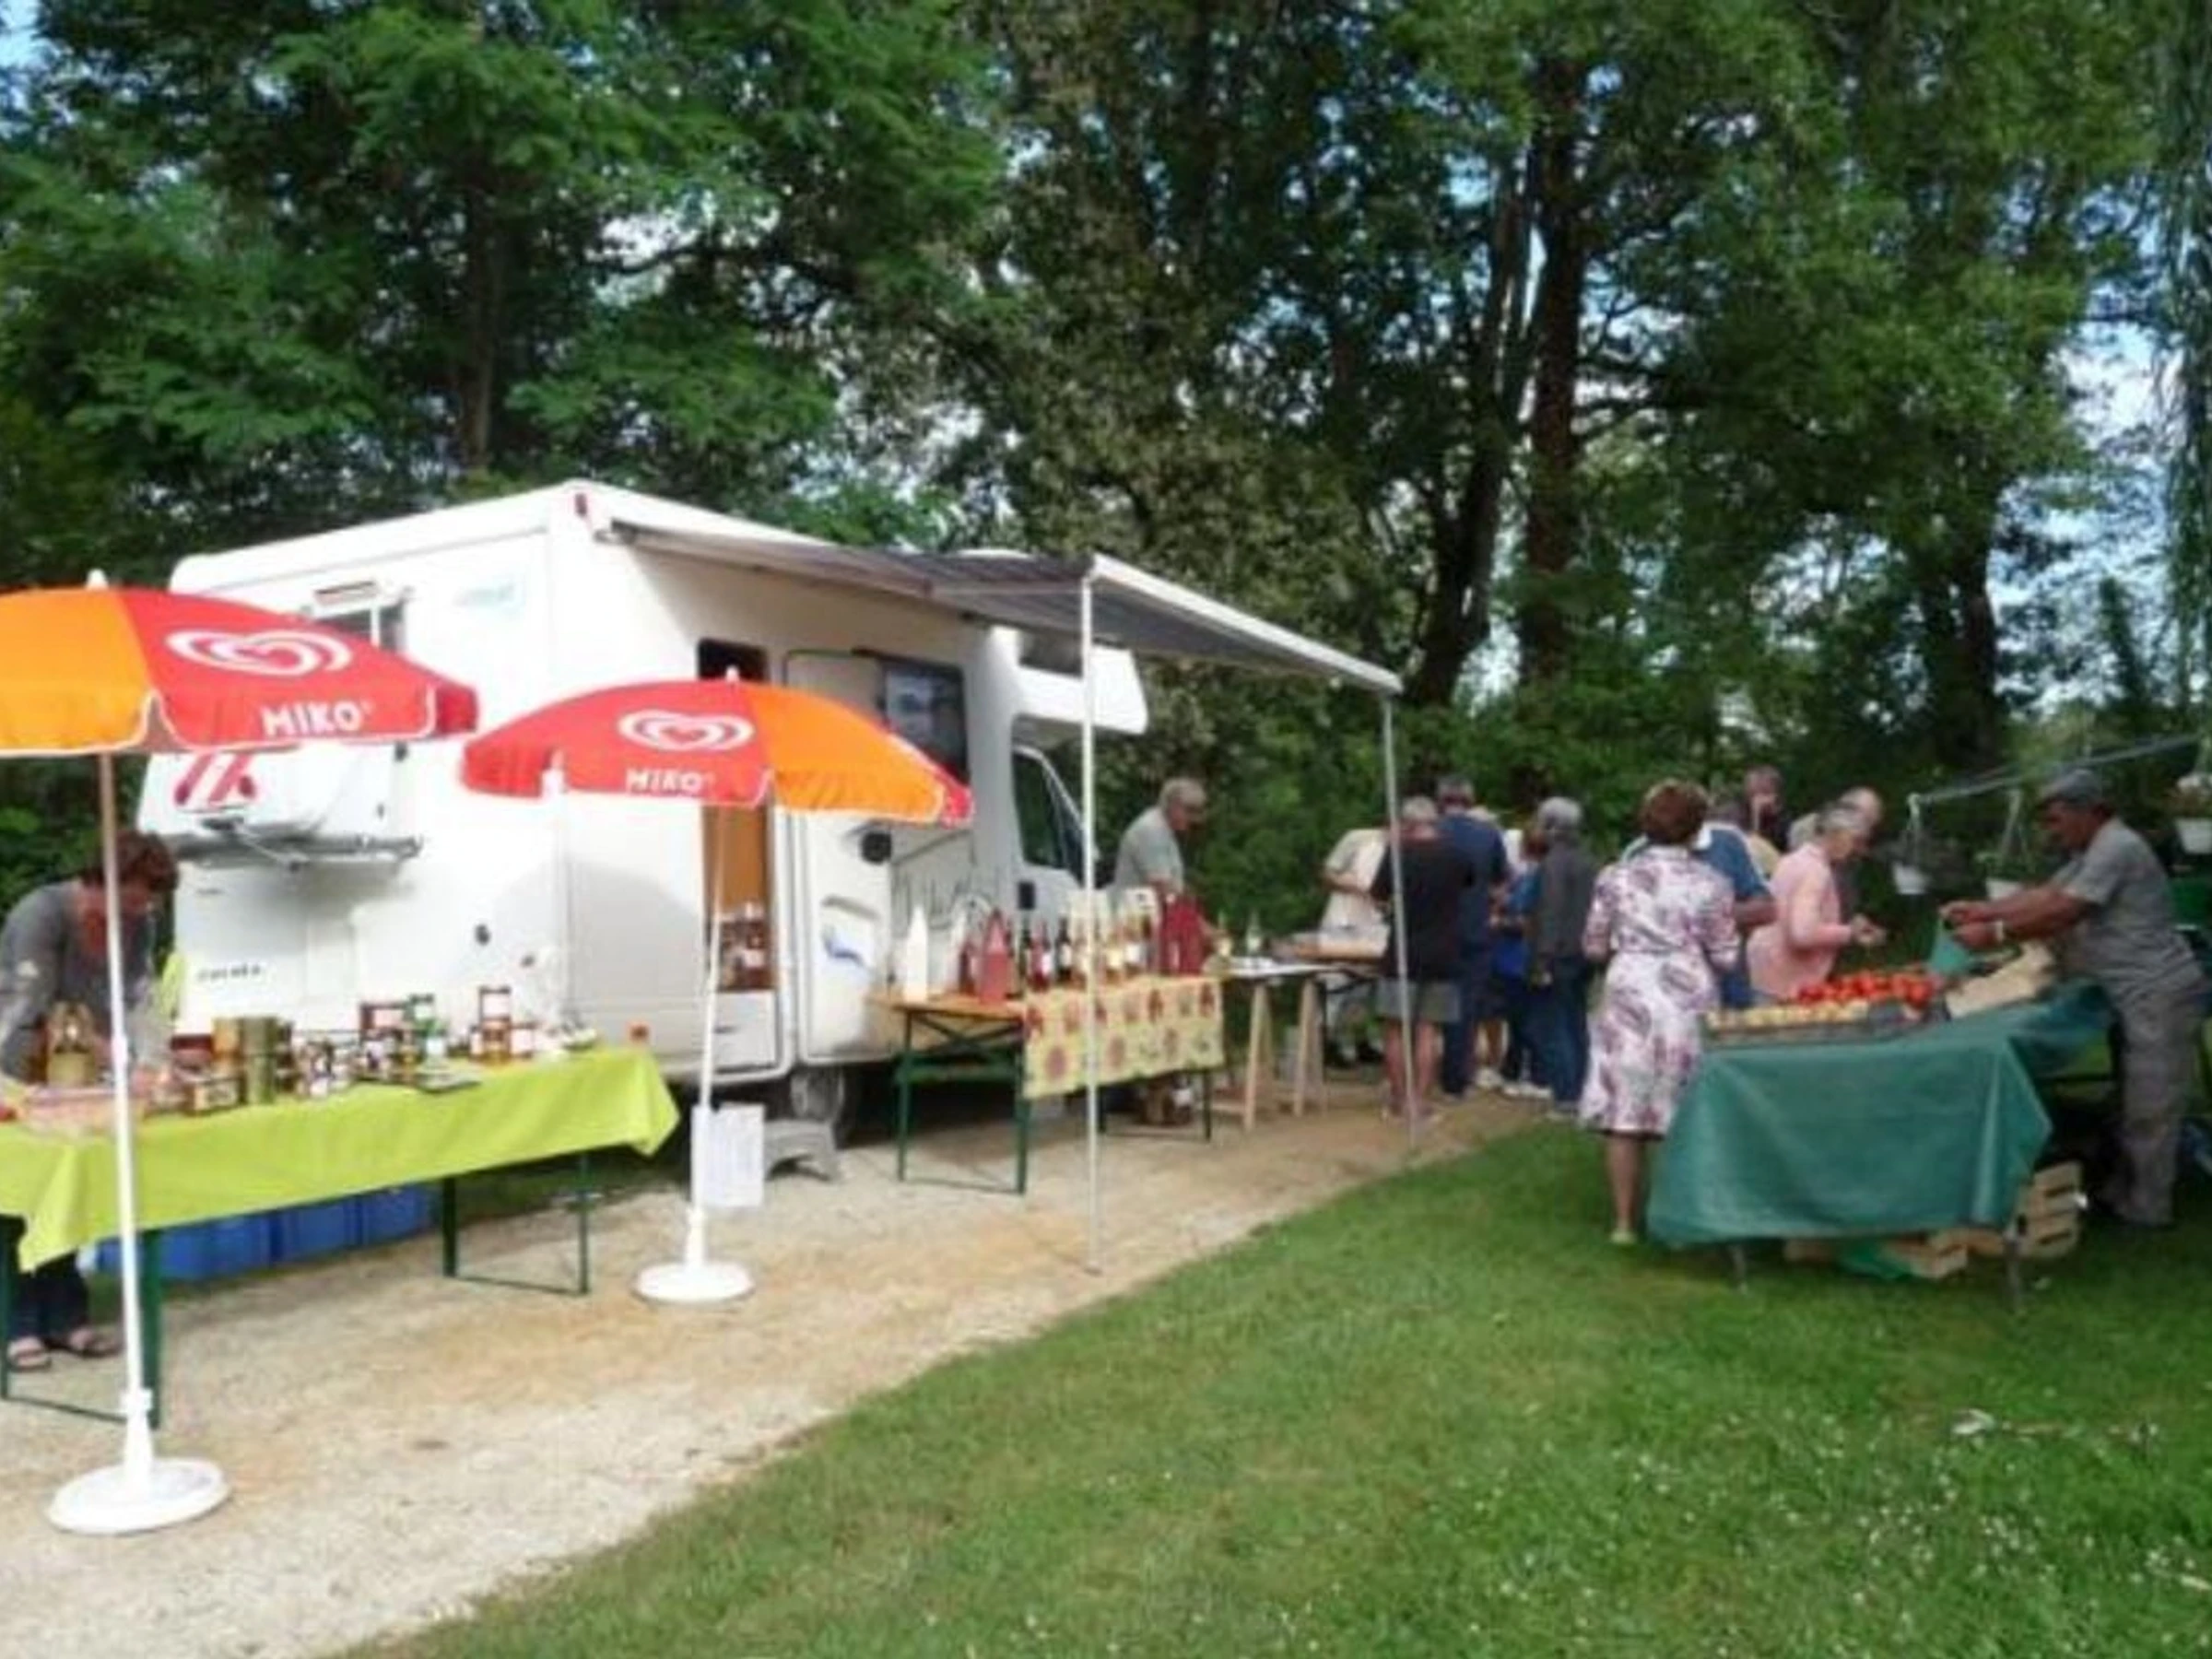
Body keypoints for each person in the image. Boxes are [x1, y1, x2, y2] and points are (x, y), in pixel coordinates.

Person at [1942, 770, 2209, 1229]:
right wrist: (1982, 909)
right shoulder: (2090, 851)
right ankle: (2121, 1193)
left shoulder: (2117, 847)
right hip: (2129, 991)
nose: (2052, 829)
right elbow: (2046, 894)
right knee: (2133, 1099)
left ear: (2089, 811)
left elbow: (2066, 910)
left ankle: (2147, 1211)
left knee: (2151, 1105)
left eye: (2056, 819)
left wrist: (1995, 933)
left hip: (2158, 991)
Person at [0, 831, 178, 1371]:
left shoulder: (138, 922)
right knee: (18, 1195)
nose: (141, 912)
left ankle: (65, 1316)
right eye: (133, 900)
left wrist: (151, 1061)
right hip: (15, 1062)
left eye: (147, 903)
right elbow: (31, 1006)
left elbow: (143, 997)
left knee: (68, 1185)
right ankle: (17, 1326)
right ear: (101, 882)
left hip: (76, 1072)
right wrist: (117, 1057)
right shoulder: (41, 915)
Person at [1580, 782, 1739, 1245]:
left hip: (1629, 989)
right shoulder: (1712, 883)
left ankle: (1624, 1223)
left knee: (1624, 1111)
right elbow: (1726, 956)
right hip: (1685, 997)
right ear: (1695, 830)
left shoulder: (1614, 877)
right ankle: (1675, 1216)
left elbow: (1593, 945)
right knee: (1682, 1105)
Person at [1368, 796, 1477, 1121]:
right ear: (1434, 821)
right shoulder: (1456, 856)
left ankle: (1399, 1101)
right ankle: (1420, 1102)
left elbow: (1378, 895)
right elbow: (1470, 884)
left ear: (1406, 823)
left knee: (1395, 1029)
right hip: (1443, 952)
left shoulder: (1397, 855)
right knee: (1429, 1030)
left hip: (1403, 949)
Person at [1625, 806, 1773, 1009]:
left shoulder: (1728, 843)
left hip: (1729, 990)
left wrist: (1712, 914)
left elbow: (1767, 909)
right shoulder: (1637, 854)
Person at [1747, 803, 1887, 1003]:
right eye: (1856, 841)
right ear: (1838, 834)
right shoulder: (1816, 871)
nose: (1859, 850)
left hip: (1765, 969)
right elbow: (1802, 934)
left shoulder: (1792, 860)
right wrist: (1850, 933)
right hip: (1786, 979)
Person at [1435, 776, 1508, 1096]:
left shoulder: (1429, 831)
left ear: (1441, 800)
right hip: (1474, 928)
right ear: (1470, 799)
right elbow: (1501, 883)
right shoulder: (1488, 834)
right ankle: (1456, 1079)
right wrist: (1491, 907)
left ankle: (1418, 1074)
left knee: (1424, 1004)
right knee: (1466, 1006)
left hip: (1432, 929)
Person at [1525, 796, 1599, 1112]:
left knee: (1553, 1025)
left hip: (1558, 954)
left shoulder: (1554, 862)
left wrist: (1542, 958)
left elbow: (1551, 911)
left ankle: (1566, 1094)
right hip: (1584, 951)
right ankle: (1581, 1087)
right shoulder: (1588, 859)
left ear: (1551, 826)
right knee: (1576, 1022)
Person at [1316, 823, 1388, 1065]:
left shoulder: (1403, 849)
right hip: (1343, 919)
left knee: (1365, 986)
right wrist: (1353, 886)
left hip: (1374, 922)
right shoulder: (1358, 838)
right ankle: (1326, 1040)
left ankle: (1357, 1039)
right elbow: (1326, 874)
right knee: (1337, 982)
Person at [1112, 777, 1206, 900]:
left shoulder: (1163, 828)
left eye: (1196, 811)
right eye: (1189, 810)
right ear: (1173, 805)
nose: (1194, 818)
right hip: (1135, 908)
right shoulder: (1152, 831)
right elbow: (1161, 888)